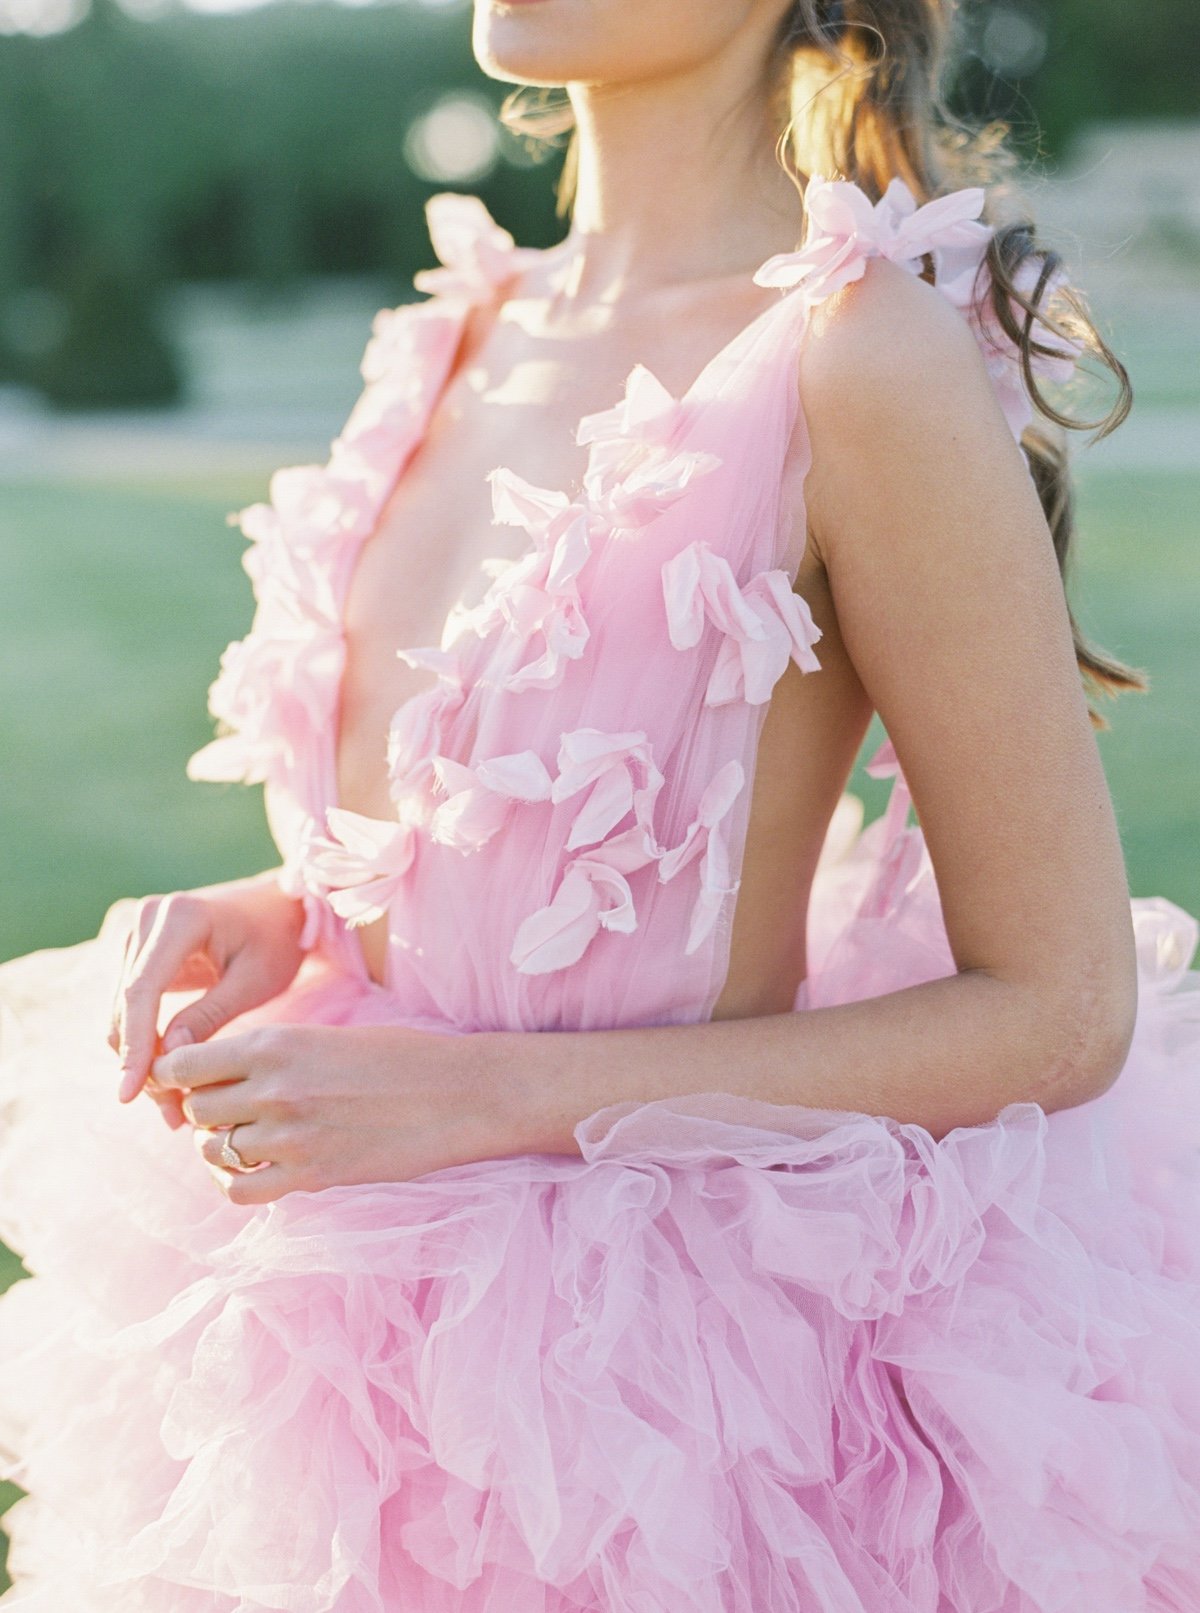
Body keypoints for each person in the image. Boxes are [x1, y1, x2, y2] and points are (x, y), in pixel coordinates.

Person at [2, 0, 1199, 1606]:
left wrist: (467, 1096)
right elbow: (484, 811)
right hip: (326, 1364)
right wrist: (290, 908)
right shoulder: (465, 318)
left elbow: (1062, 1011)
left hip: (659, 1403)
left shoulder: (855, 359)